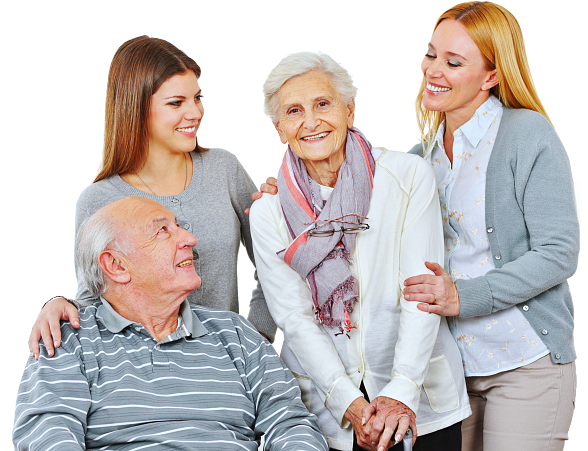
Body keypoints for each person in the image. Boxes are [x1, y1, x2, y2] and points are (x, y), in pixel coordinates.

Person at [249, 50, 471, 451]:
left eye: (323, 104)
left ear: (349, 110)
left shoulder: (406, 176)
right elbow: (295, 319)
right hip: (327, 411)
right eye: (294, 111)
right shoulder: (268, 211)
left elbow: (419, 292)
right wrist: (348, 402)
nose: (311, 122)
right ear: (280, 127)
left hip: (422, 398)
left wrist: (401, 390)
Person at [28, 35, 277, 359]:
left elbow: (273, 266)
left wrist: (256, 337)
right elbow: (95, 303)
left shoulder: (224, 169)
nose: (195, 112)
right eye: (176, 103)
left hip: (224, 370)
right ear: (137, 107)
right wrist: (59, 306)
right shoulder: (99, 199)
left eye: (197, 98)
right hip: (140, 377)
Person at [398, 2, 578, 450]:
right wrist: (283, 195)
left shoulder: (528, 135)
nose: (433, 70)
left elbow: (558, 252)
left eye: (454, 62)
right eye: (431, 54)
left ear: (492, 76)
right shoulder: (421, 160)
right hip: (449, 372)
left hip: (524, 361)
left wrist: (463, 296)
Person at [13, 196, 327, 451]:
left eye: (178, 226)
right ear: (117, 265)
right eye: (163, 231)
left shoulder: (236, 335)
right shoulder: (68, 340)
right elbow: (46, 436)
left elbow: (291, 423)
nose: (190, 239)